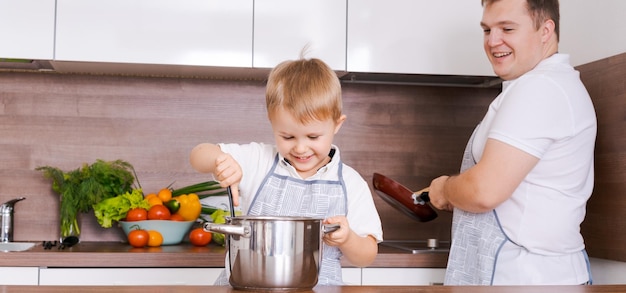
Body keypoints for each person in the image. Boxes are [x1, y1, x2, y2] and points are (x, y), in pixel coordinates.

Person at [425, 0, 597, 285]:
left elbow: (484, 191)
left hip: (528, 278)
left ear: (545, 30)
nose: (493, 41)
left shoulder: (540, 88)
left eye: (507, 28)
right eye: (486, 30)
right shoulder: (539, 85)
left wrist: (445, 188)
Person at [189, 57, 383, 286]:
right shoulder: (258, 160)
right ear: (272, 123)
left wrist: (348, 239)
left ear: (337, 125)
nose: (300, 148)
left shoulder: (350, 183)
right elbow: (198, 155)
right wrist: (219, 160)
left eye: (313, 137)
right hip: (249, 288)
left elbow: (367, 255)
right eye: (287, 136)